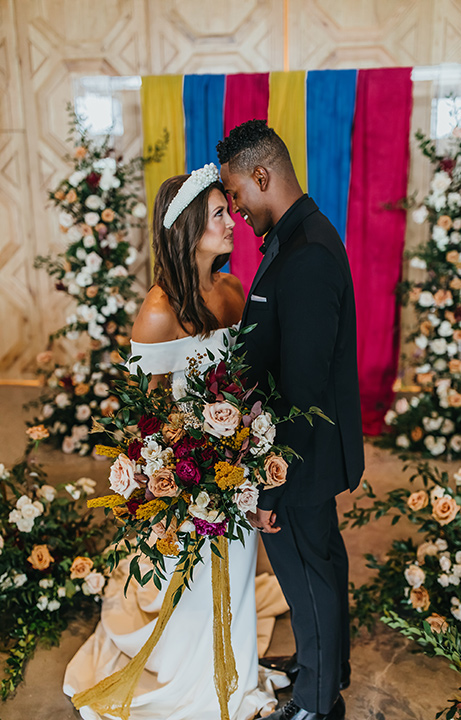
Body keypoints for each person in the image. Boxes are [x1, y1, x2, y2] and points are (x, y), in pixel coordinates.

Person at [64, 164, 287, 720]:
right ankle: (198, 671)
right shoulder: (159, 311)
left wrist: (244, 443)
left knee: (236, 569)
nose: (232, 221)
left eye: (227, 210)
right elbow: (144, 411)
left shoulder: (233, 288)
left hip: (236, 464)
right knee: (192, 581)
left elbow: (246, 378)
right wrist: (175, 473)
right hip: (187, 475)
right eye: (218, 214)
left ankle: (231, 667)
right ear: (188, 227)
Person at [217, 121, 365, 720]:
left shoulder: (306, 255)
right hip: (308, 449)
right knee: (320, 564)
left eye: (236, 196)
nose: (236, 210)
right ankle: (323, 667)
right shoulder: (300, 234)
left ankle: (315, 703)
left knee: (308, 577)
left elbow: (301, 389)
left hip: (299, 455)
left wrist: (271, 484)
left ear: (261, 176)